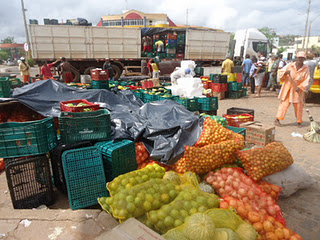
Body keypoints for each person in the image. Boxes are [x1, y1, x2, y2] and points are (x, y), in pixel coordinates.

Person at [274, 51, 310, 128]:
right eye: (299, 58)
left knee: (299, 106)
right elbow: (280, 73)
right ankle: (277, 119)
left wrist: (300, 87)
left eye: (302, 58)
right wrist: (285, 73)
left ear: (304, 59)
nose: (300, 59)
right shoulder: (290, 65)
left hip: (298, 89)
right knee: (284, 104)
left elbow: (307, 79)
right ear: (296, 58)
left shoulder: (306, 68)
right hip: (288, 88)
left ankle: (299, 121)